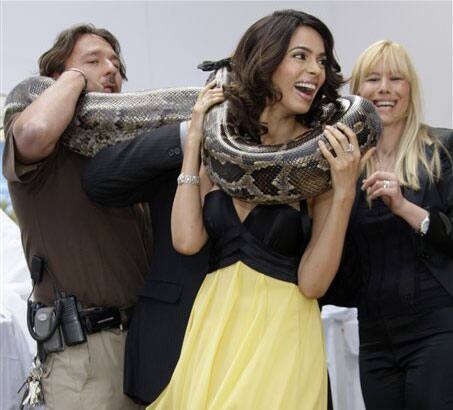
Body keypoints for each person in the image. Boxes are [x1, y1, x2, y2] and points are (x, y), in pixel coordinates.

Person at [147, 10, 372, 409]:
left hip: (282, 335)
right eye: (300, 56)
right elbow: (186, 240)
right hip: (215, 328)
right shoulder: (222, 146)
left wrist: (342, 194)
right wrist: (194, 142)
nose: (315, 70)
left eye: (321, 61)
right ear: (266, 61)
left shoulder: (322, 155)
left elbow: (313, 284)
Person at [2, 24, 154, 409]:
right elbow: (36, 129)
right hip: (84, 358)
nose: (111, 70)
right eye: (94, 60)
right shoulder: (40, 154)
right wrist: (73, 77)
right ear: (54, 78)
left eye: (116, 64)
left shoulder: (126, 158)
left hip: (143, 348)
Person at [325, 40, 453, 409]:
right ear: (357, 92)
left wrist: (404, 207)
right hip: (375, 336)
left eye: (396, 78)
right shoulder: (344, 166)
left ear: (410, 89)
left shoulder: (441, 149)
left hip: (438, 328)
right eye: (373, 79)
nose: (384, 89)